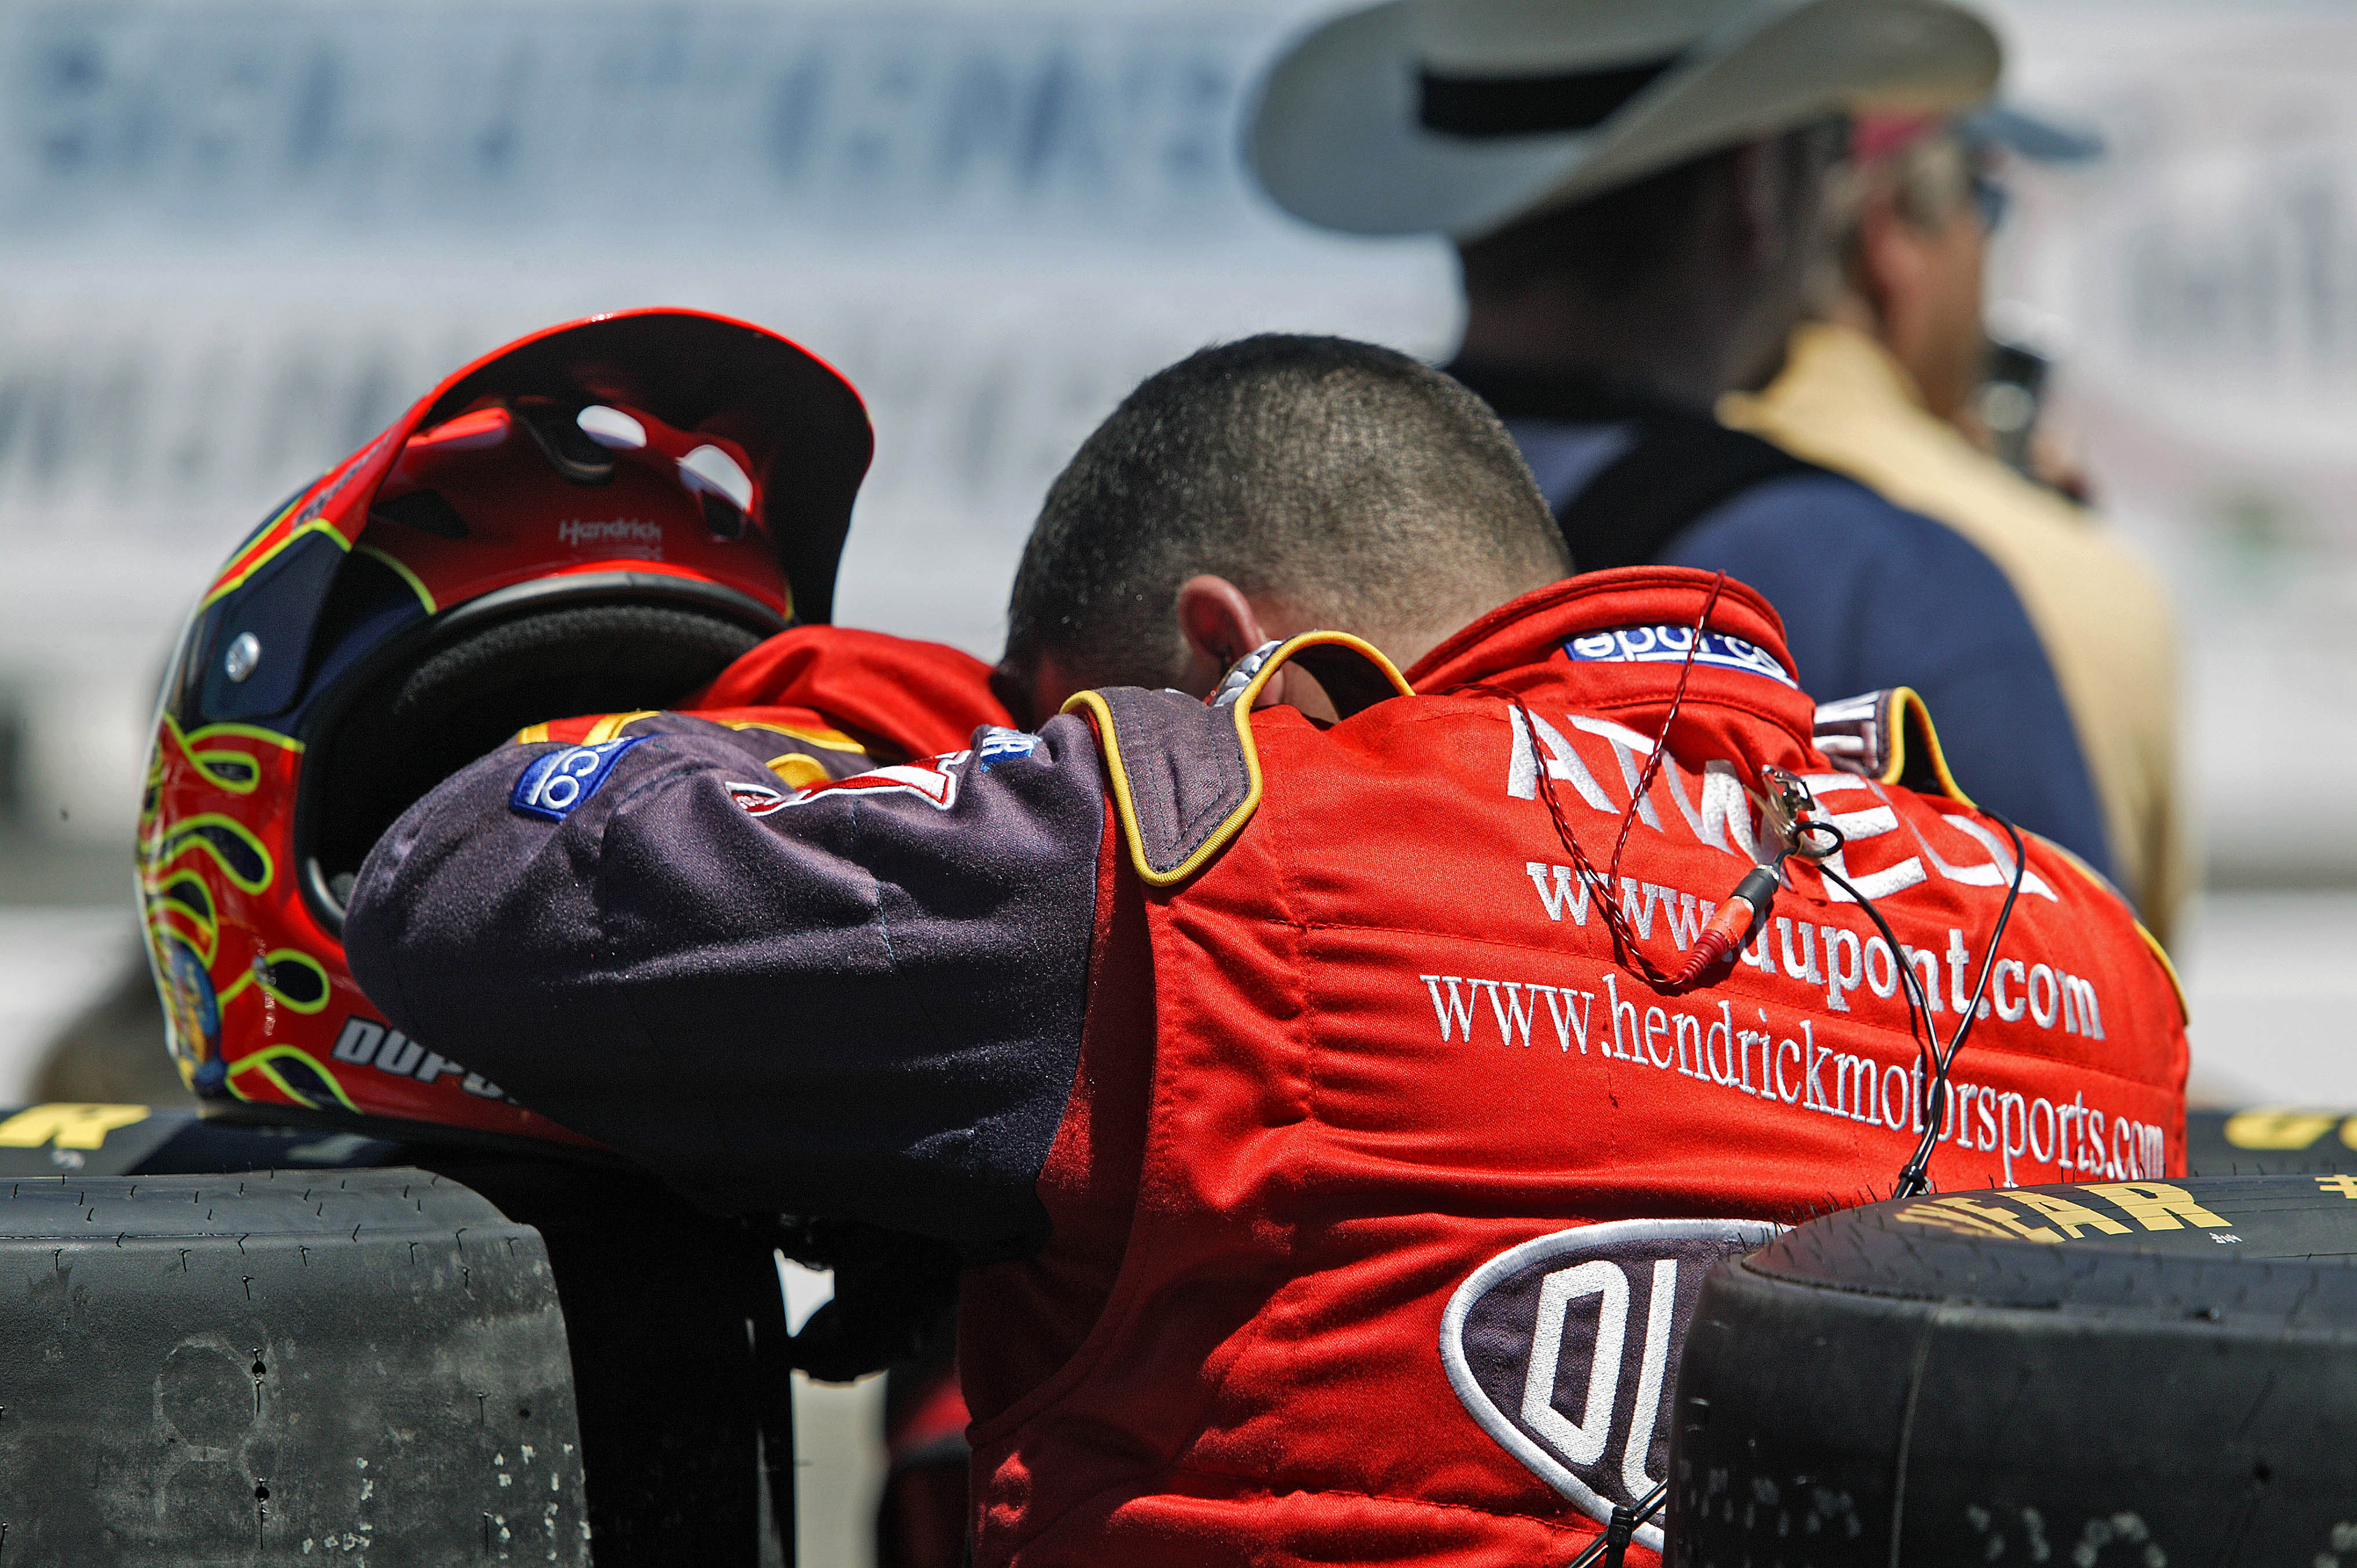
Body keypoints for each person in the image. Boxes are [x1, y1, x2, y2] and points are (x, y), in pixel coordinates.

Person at [343, 335, 2186, 1566]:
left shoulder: (1202, 839)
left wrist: (894, 728)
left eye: (1057, 710)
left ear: (1216, 643)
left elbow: (465, 878)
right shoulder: (2085, 953)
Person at [1245, 0, 2120, 886]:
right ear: (1756, 188)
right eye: (1823, 151)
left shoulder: (1258, 527)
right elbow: (2070, 1000)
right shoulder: (1891, 586)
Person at [1719, 110, 2189, 944]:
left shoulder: (1560, 495)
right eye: (1989, 204)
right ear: (1891, 230)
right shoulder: (2071, 573)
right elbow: (2132, 1006)